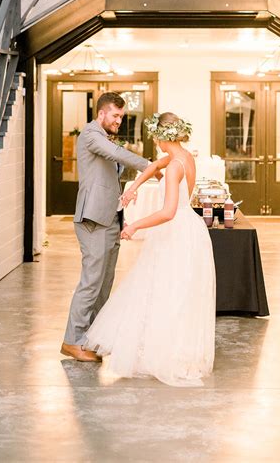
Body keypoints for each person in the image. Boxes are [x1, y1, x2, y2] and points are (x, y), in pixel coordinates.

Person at [84, 112, 216, 387]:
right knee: (177, 291)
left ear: (161, 136)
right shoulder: (183, 156)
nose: (154, 141)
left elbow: (168, 212)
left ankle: (166, 353)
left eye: (155, 136)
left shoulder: (175, 167)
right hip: (190, 229)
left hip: (176, 232)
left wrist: (135, 225)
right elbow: (154, 165)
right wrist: (134, 187)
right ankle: (176, 348)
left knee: (165, 290)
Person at [61, 92, 150, 362]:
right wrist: (152, 166)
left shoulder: (104, 137)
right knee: (91, 282)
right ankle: (72, 341)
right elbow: (117, 154)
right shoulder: (91, 135)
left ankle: (93, 337)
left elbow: (109, 178)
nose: (119, 121)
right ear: (101, 113)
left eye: (121, 117)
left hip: (111, 218)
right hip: (93, 220)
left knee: (104, 283)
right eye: (115, 115)